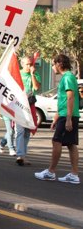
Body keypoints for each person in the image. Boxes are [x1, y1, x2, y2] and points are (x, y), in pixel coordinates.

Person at [34, 54, 79, 184]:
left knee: (56, 141)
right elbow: (64, 99)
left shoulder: (68, 77)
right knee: (71, 144)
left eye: (53, 64)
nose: (52, 67)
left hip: (68, 115)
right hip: (65, 114)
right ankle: (74, 174)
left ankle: (51, 172)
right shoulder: (67, 77)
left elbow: (70, 97)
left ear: (59, 64)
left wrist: (68, 118)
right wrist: (56, 116)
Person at [16, 55, 41, 165]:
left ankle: (23, 154)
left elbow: (36, 87)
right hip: (19, 105)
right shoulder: (18, 74)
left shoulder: (35, 74)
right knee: (20, 130)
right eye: (27, 64)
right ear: (22, 64)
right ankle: (20, 155)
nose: (29, 66)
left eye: (31, 64)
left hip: (30, 105)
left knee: (27, 131)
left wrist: (32, 74)